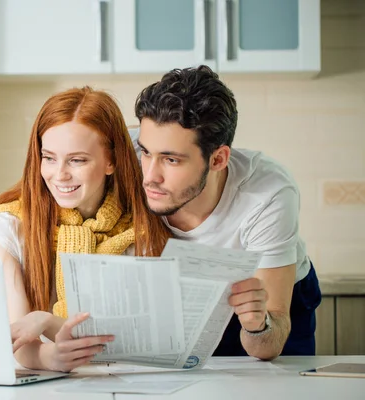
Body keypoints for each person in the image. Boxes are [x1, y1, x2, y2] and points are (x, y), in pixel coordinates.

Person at [132, 65, 322, 360]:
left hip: (261, 303)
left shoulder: (267, 194)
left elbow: (271, 340)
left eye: (171, 159)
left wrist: (257, 325)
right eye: (146, 152)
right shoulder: (133, 159)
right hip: (186, 295)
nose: (149, 176)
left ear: (218, 159)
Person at [0, 87, 170, 372]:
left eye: (77, 160)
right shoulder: (6, 226)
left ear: (111, 161)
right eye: (49, 157)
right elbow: (16, 338)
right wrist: (50, 357)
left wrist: (49, 322)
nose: (60, 174)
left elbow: (140, 339)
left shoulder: (141, 229)